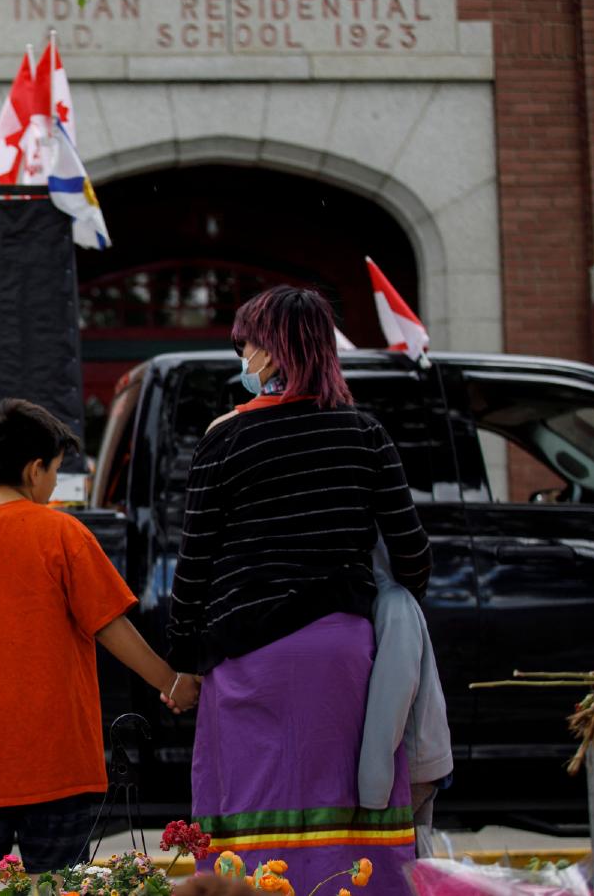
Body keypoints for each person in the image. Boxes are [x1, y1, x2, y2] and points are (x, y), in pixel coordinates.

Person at [168, 286, 432, 896]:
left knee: (254, 808)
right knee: (348, 810)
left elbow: (195, 567)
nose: (242, 352)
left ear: (274, 351)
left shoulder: (224, 439)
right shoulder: (365, 433)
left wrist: (183, 663)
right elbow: (413, 554)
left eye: (249, 341)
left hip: (246, 660)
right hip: (345, 655)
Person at [0, 398, 198, 896]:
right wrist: (171, 682)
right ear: (34, 470)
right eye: (54, 471)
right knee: (53, 879)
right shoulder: (63, 534)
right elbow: (110, 626)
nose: (54, 484)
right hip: (55, 751)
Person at [358, 539, 453, 858]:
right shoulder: (391, 602)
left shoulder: (393, 604)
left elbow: (392, 699)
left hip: (413, 762)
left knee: (404, 855)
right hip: (420, 757)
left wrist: (372, 792)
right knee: (415, 853)